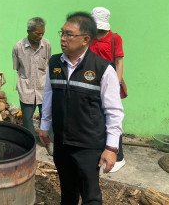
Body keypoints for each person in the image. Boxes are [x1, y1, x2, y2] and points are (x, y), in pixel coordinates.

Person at [39, 12, 124, 205]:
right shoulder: (54, 63)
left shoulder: (103, 68)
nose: (63, 38)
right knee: (68, 191)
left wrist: (111, 148)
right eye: (62, 32)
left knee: (90, 195)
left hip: (88, 146)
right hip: (62, 142)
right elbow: (48, 95)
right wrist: (45, 125)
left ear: (86, 39)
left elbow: (114, 111)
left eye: (69, 34)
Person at [90, 7, 126, 173]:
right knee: (98, 117)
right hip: (93, 81)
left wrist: (116, 84)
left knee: (112, 118)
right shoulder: (90, 37)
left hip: (109, 80)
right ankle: (100, 151)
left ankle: (119, 157)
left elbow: (118, 62)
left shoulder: (114, 38)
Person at [12, 17, 54, 155]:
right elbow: (17, 68)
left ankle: (49, 142)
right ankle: (30, 145)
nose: (41, 36)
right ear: (28, 31)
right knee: (27, 119)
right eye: (37, 33)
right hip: (27, 88)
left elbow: (48, 63)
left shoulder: (46, 45)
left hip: (44, 88)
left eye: (42, 33)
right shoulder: (18, 47)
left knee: (46, 116)